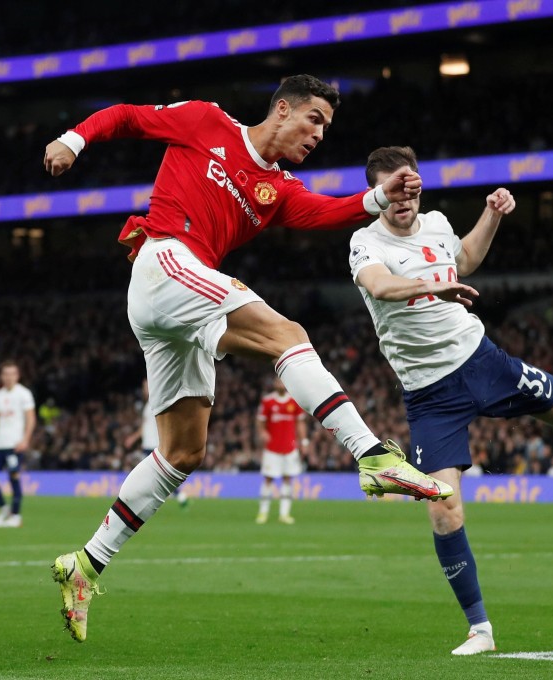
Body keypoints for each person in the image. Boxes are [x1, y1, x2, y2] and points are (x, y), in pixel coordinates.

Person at [42, 75, 452, 642]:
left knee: (183, 451)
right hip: (165, 260)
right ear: (282, 109)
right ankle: (373, 455)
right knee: (288, 334)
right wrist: (73, 140)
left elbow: (330, 212)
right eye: (313, 119)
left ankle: (84, 564)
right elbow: (128, 115)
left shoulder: (279, 189)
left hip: (178, 306)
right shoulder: (207, 121)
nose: (318, 134)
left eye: (326, 128)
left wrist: (383, 198)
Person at [348, 146, 553, 656]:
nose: (402, 199)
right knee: (444, 509)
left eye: (409, 188)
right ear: (377, 196)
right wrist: (433, 286)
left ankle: (504, 425)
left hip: (483, 362)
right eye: (392, 191)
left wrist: (492, 215)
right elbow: (380, 286)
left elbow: (466, 259)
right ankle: (480, 629)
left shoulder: (436, 223)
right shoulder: (364, 243)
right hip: (430, 395)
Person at [0, 360, 36, 528]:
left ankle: (16, 516)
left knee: (14, 476)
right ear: (2, 376)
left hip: (14, 444)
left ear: (17, 376)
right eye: (6, 374)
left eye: (12, 374)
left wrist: (25, 440)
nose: (9, 377)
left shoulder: (24, 394)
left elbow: (31, 419)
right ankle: (4, 509)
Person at [125, 379, 189, 506]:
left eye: (146, 386)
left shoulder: (157, 402)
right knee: (156, 475)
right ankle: (178, 496)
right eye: (143, 387)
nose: (144, 390)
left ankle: (144, 499)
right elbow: (145, 426)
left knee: (151, 475)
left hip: (154, 445)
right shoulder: (148, 405)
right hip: (148, 445)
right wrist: (133, 437)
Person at [256, 376, 307, 524]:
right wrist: (262, 432)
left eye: (282, 381)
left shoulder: (294, 401)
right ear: (274, 383)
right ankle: (262, 513)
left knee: (287, 479)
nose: (280, 384)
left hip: (290, 448)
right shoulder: (268, 401)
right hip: (272, 449)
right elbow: (260, 421)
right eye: (277, 381)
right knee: (268, 479)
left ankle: (284, 514)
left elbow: (300, 423)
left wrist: (303, 441)